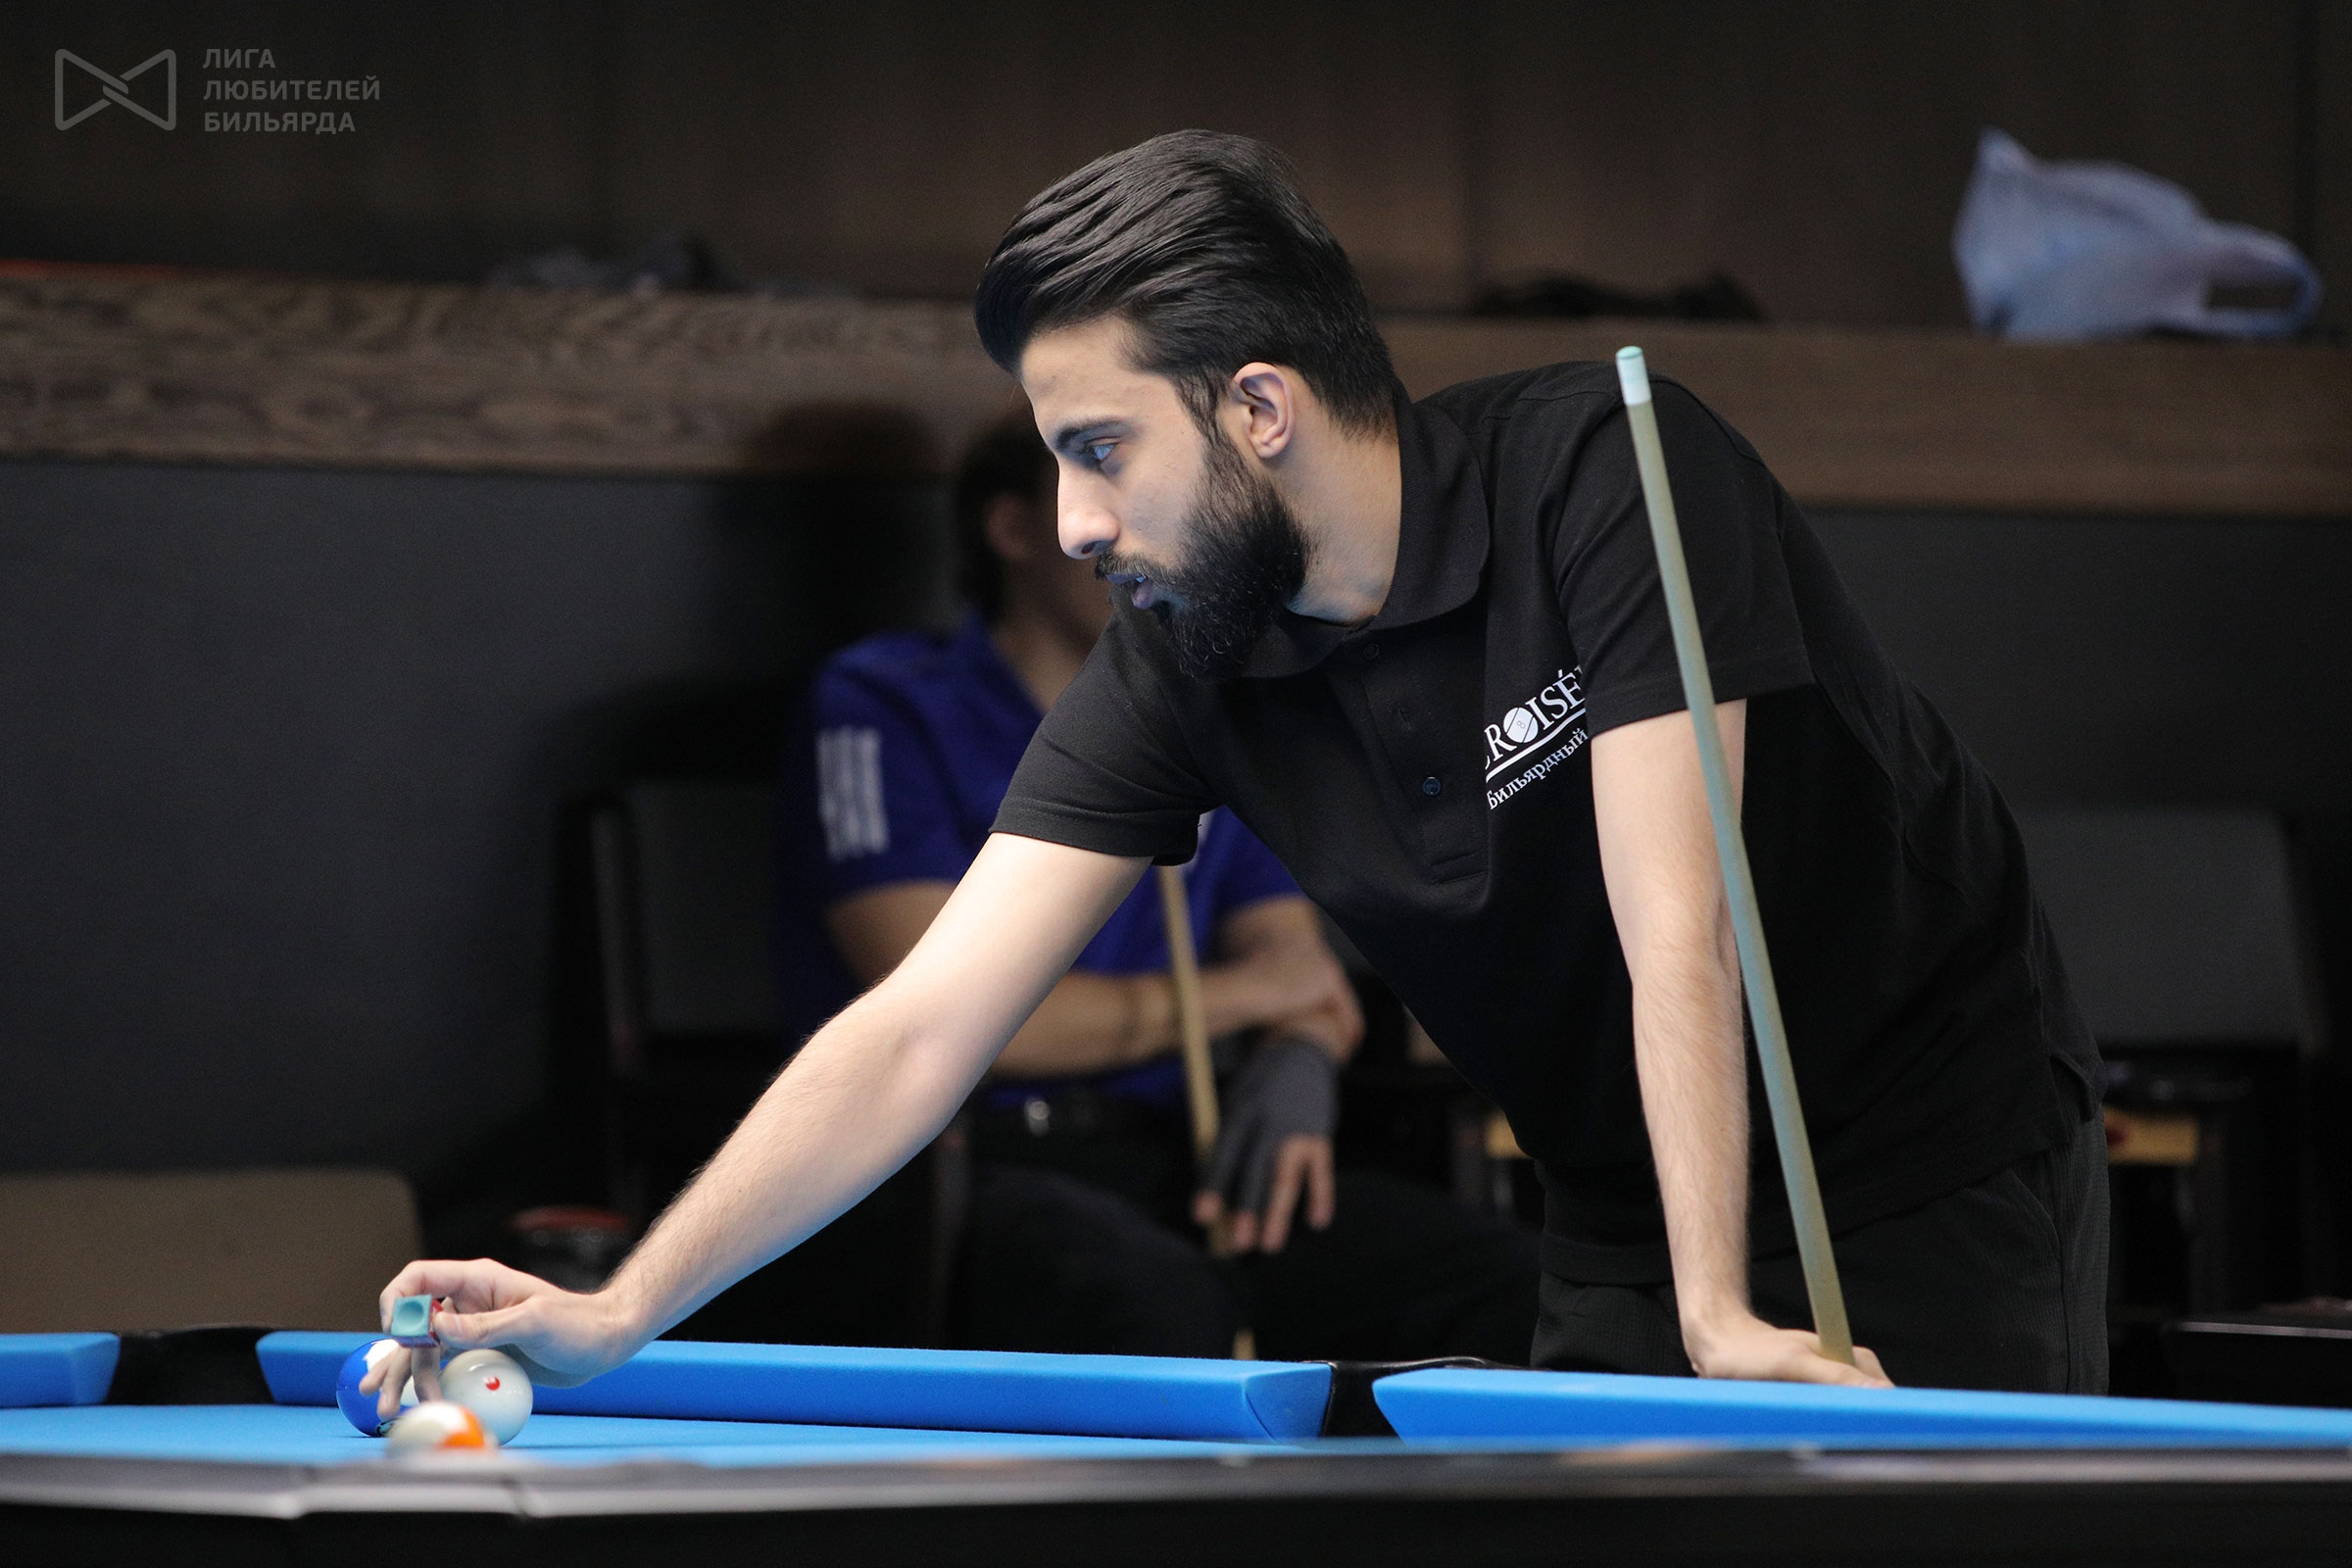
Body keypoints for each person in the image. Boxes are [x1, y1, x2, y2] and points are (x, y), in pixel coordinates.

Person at [365, 130, 2109, 1419]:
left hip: (1929, 1152)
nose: (1072, 522)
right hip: (1621, 1198)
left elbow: (1681, 920)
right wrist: (625, 1309)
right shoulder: (1185, 650)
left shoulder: (1610, 468)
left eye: (1099, 449)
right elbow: (917, 1027)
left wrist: (1721, 1312)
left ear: (1258, 409)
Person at [769, 413, 1539, 1361]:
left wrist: (1298, 1059)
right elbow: (956, 1021)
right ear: (1014, 528)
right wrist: (1257, 999)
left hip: (1180, 1157)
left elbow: (1298, 970)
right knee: (1156, 1302)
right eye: (1106, 491)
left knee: (1507, 1282)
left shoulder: (1203, 703)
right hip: (953, 1168)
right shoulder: (883, 704)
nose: (1152, 533)